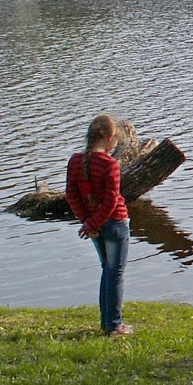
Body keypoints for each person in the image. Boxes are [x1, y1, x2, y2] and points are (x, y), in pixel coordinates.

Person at [65, 114, 132, 336]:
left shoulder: (75, 161)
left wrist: (87, 222)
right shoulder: (109, 164)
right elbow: (112, 200)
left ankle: (107, 323)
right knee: (116, 273)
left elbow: (71, 194)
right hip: (115, 224)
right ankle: (114, 325)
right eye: (115, 139)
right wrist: (91, 223)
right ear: (109, 137)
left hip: (95, 227)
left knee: (107, 271)